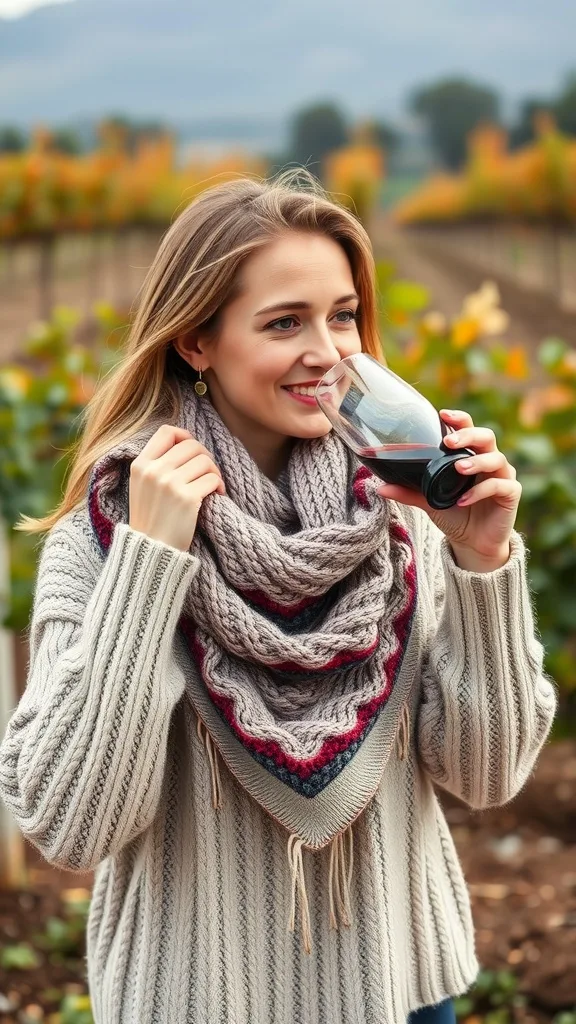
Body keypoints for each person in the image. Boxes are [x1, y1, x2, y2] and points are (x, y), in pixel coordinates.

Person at [0, 169, 557, 1024]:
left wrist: (483, 565)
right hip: (196, 1003)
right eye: (285, 322)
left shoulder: (402, 521)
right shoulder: (106, 537)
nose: (329, 351)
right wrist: (150, 566)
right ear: (196, 341)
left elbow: (487, 777)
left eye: (342, 315)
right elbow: (72, 825)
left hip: (402, 991)